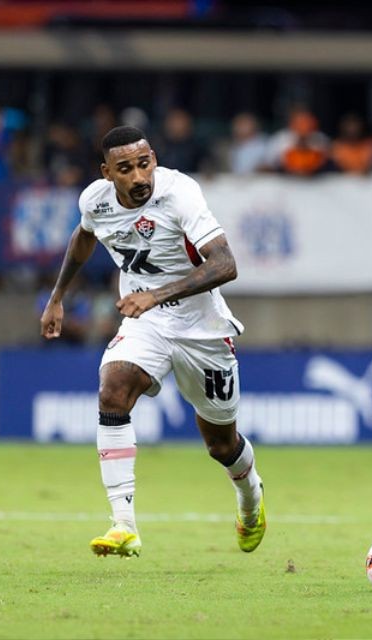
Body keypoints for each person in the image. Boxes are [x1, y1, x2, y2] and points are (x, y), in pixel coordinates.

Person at [40, 125, 266, 558]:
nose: (139, 176)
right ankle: (123, 524)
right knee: (113, 390)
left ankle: (251, 498)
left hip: (203, 328)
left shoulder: (180, 193)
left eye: (145, 164)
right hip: (147, 322)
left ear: (154, 160)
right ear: (108, 173)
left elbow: (225, 264)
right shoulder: (95, 200)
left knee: (221, 445)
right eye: (126, 169)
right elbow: (84, 236)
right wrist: (57, 298)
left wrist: (154, 294)